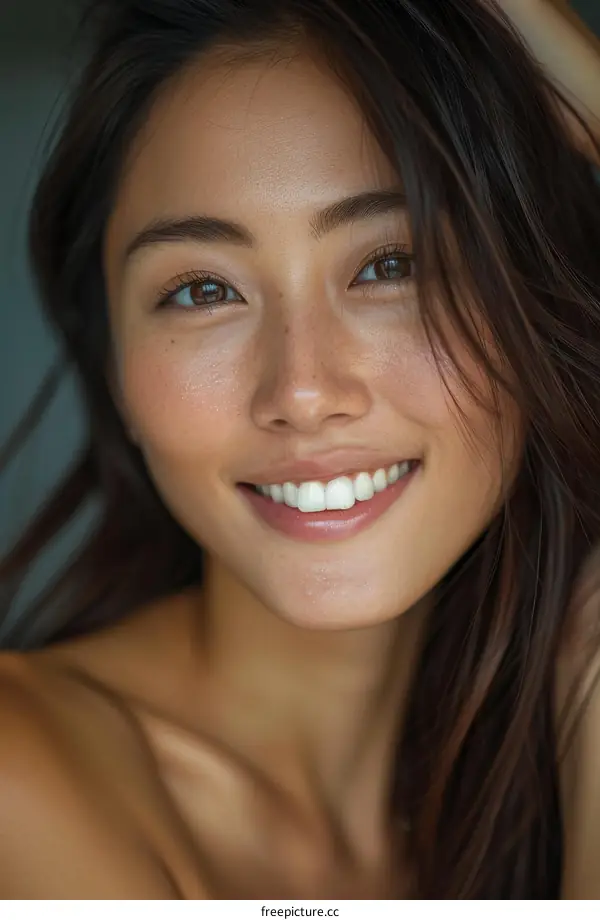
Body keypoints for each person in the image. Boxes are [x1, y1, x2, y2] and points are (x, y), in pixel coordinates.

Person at [0, 0, 599, 900]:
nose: (304, 391)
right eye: (203, 290)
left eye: (390, 265)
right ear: (117, 366)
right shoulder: (19, 782)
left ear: (532, 312)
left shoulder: (536, 775)